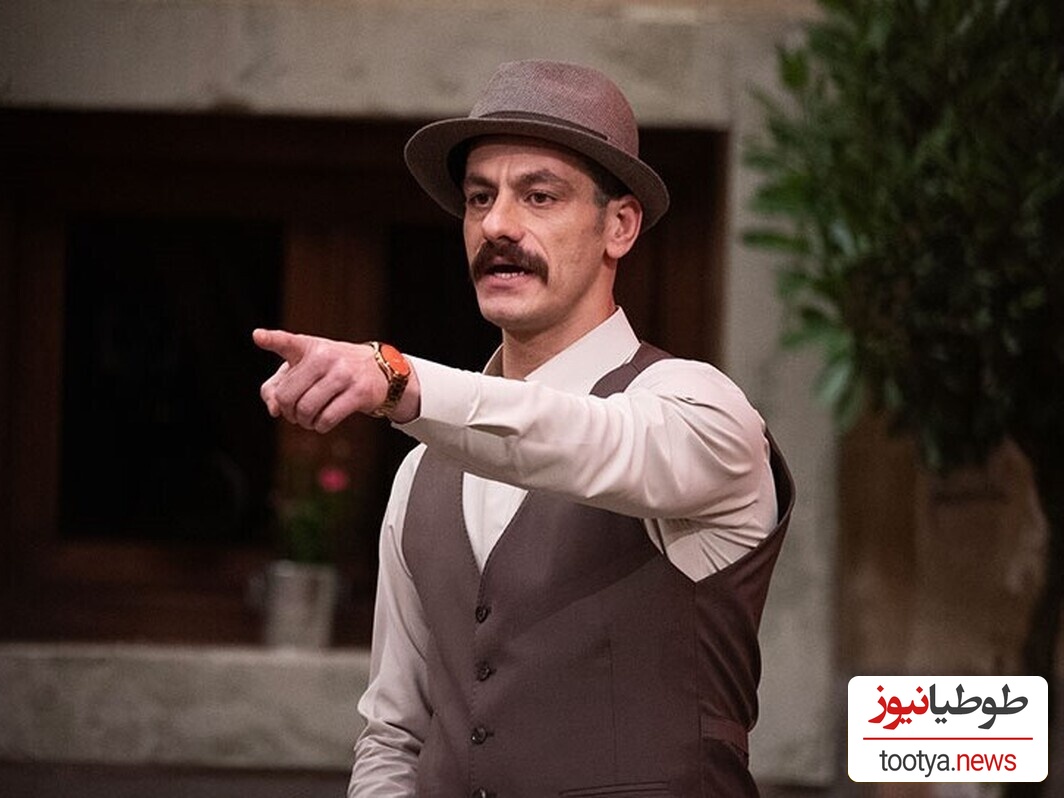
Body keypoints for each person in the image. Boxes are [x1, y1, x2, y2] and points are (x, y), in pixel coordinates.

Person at [254, 59, 794, 798]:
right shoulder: (421, 472)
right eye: (480, 198)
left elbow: (588, 442)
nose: (498, 225)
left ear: (620, 226)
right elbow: (394, 733)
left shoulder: (701, 409)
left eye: (540, 196)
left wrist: (400, 381)